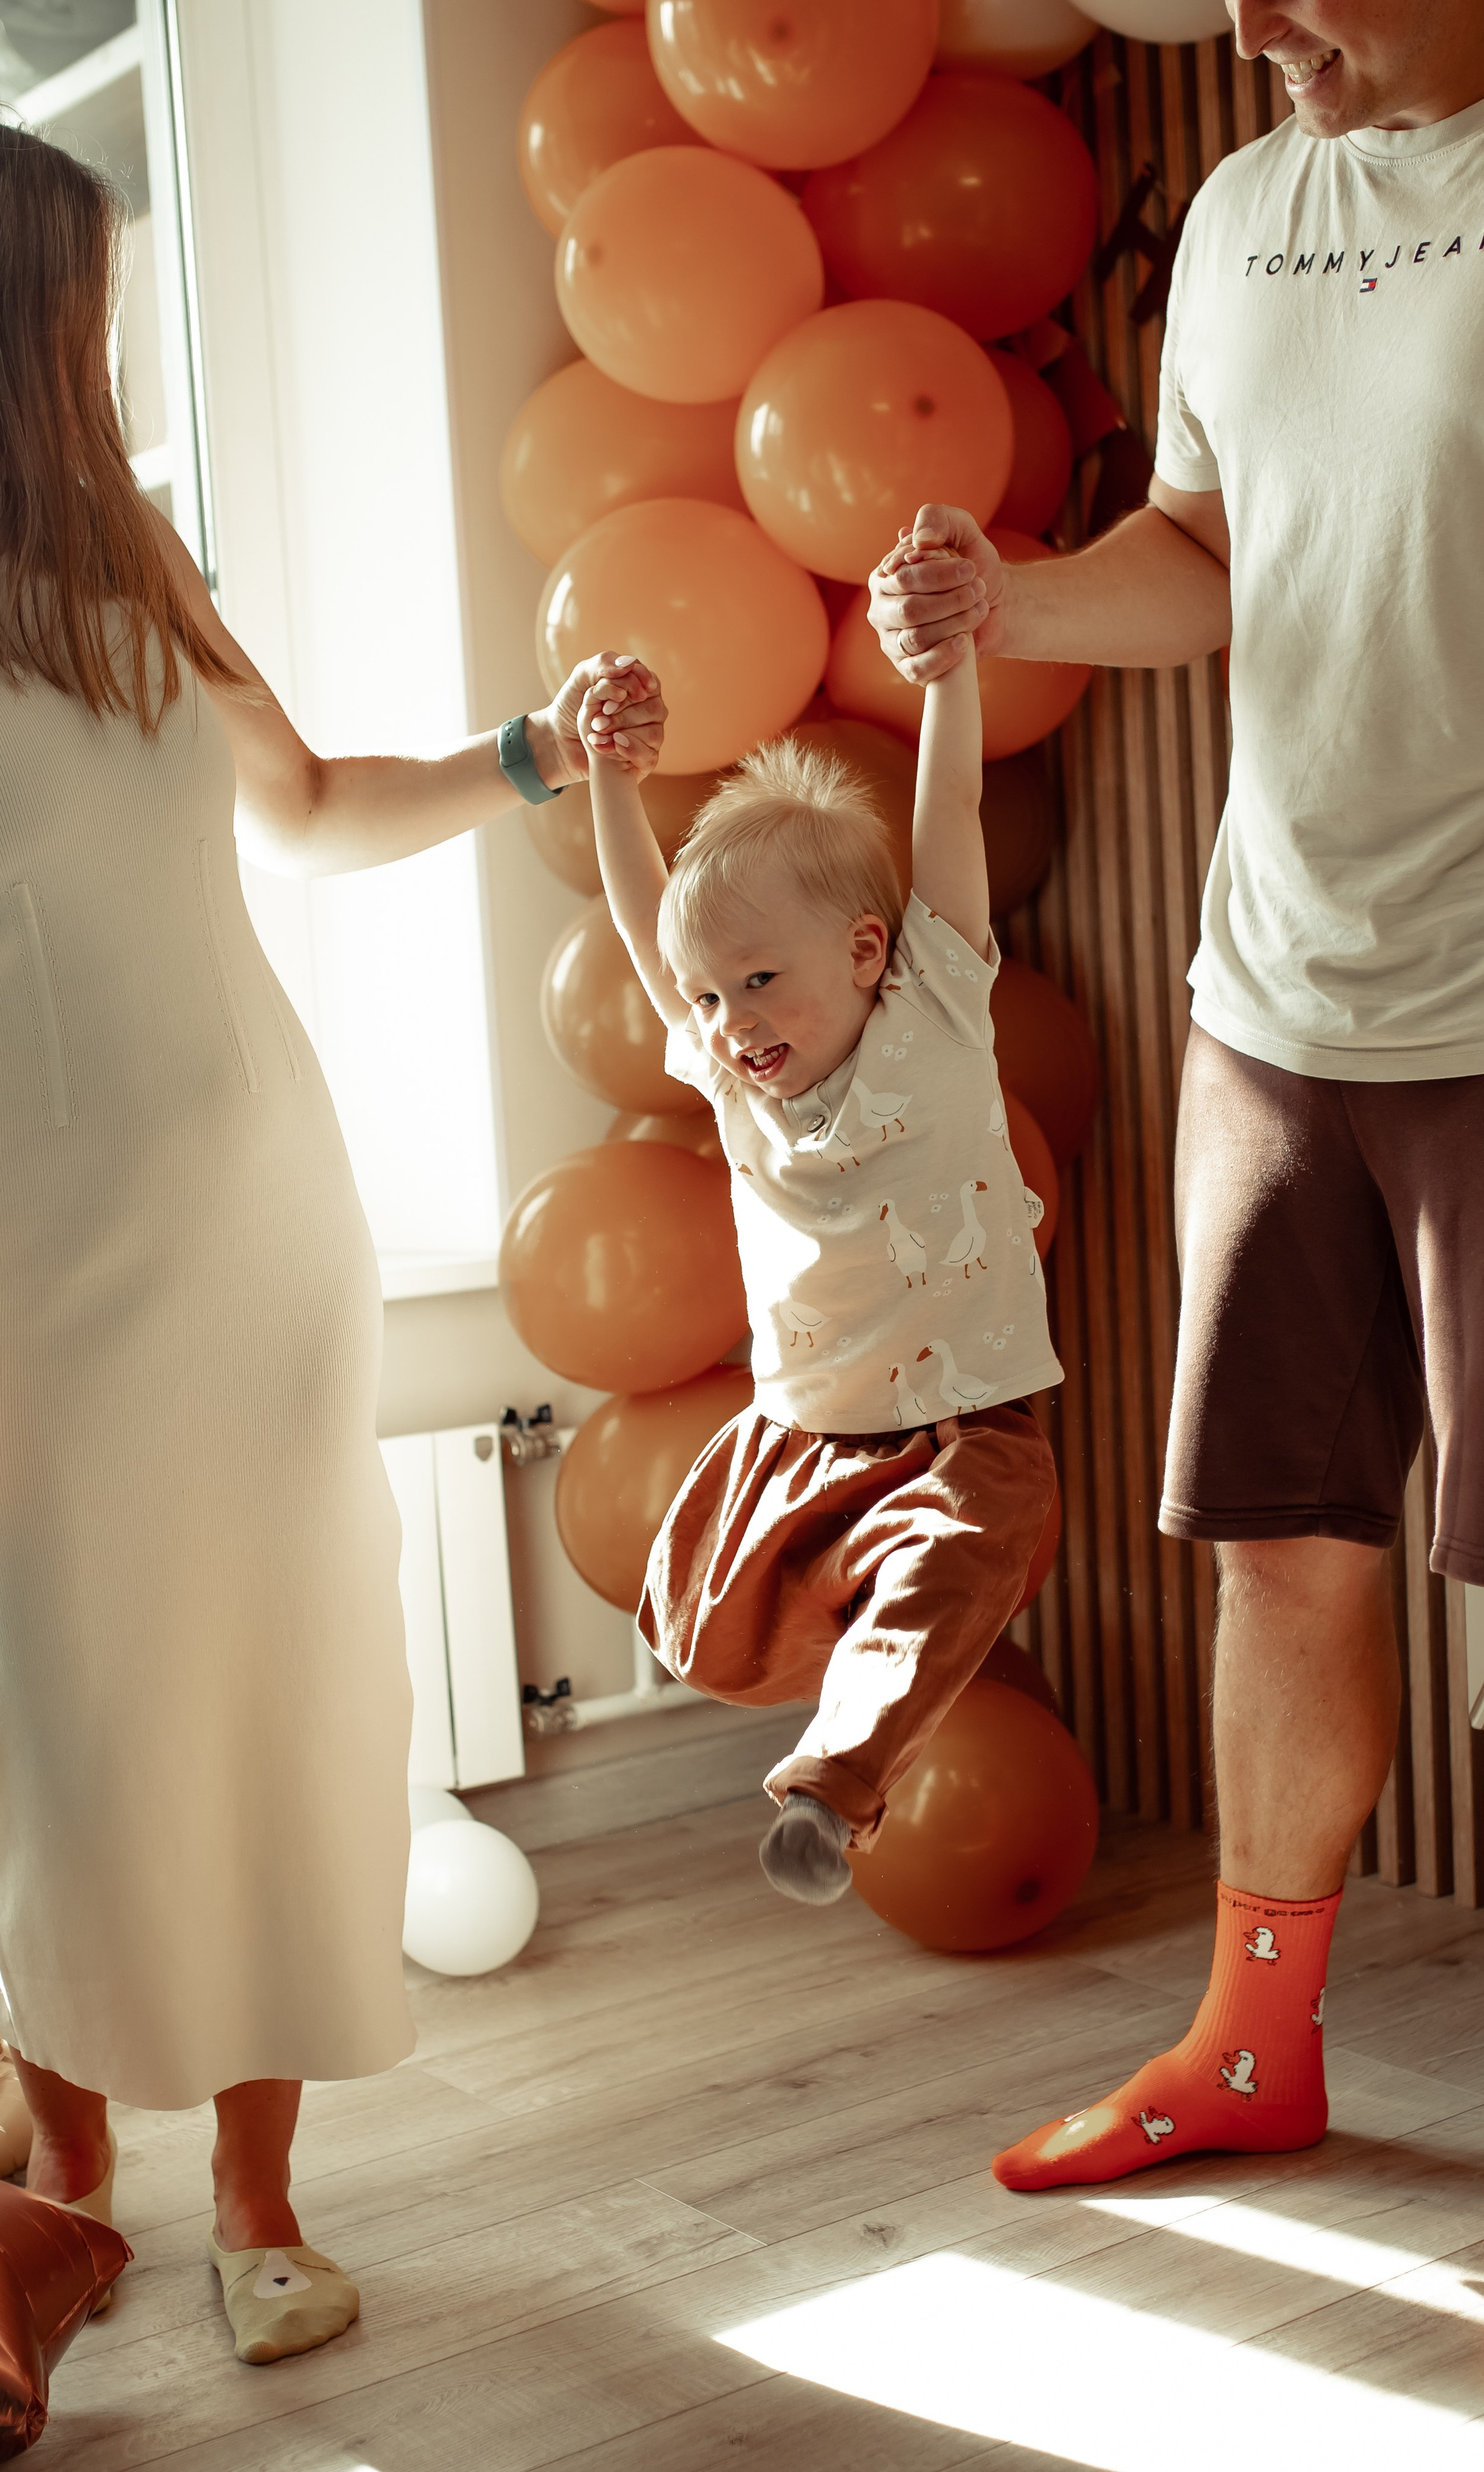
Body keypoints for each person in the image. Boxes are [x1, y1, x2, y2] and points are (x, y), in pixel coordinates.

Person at [866, 0, 1484, 2401]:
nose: (1245, 26)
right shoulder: (1236, 205)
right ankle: (1249, 2043)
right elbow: (1208, 548)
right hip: (1275, 996)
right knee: (1281, 1544)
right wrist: (1014, 600)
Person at [0, 125, 660, 2365]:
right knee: (59, 1727)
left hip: (238, 1237)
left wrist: (518, 760)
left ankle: (256, 2202)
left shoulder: (142, 575)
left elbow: (308, 811)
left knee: (270, 1695)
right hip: (21, 1258)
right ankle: (66, 2182)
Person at [573, 635, 1059, 1902]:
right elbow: (642, 921)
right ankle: (837, 1684)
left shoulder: (936, 1008)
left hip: (958, 1426)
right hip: (800, 1428)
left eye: (757, 983)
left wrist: (947, 673)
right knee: (697, 1625)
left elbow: (945, 811)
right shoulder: (739, 1088)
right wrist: (612, 781)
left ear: (859, 951)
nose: (730, 1024)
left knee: (954, 1565)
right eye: (708, 997)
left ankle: (828, 1791)